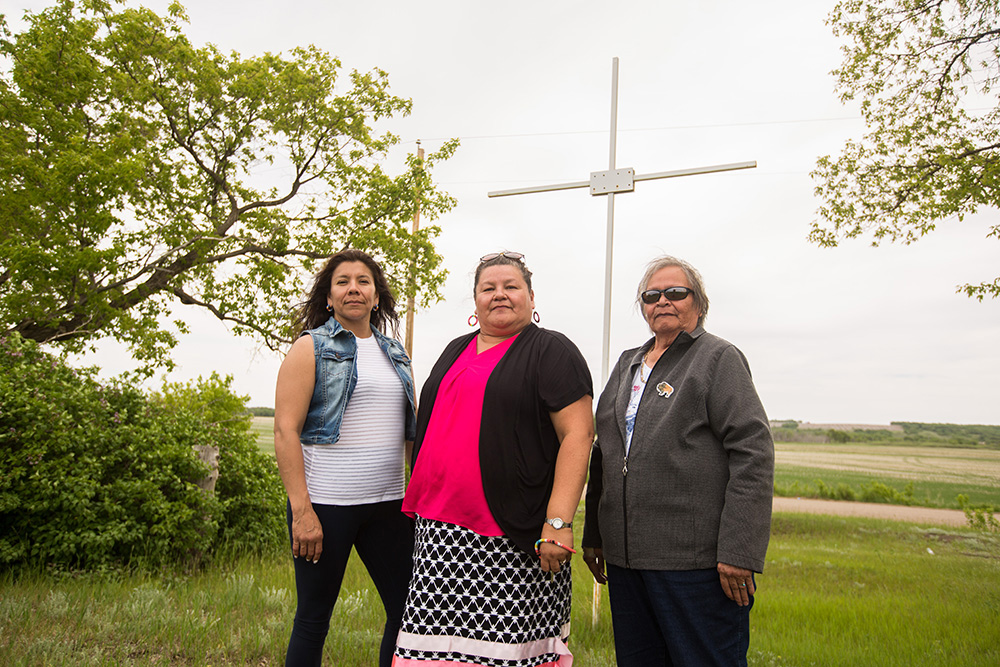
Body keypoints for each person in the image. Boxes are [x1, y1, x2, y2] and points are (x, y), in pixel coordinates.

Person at [392, 252, 595, 667]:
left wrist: (558, 522)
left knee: (506, 651)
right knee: (435, 652)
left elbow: (578, 434)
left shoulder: (551, 351)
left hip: (511, 537)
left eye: (511, 286)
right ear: (476, 301)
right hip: (441, 536)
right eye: (489, 288)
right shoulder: (455, 348)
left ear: (531, 297)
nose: (499, 295)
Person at [582, 255, 774, 667]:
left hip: (695, 565)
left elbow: (753, 452)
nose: (662, 301)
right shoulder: (627, 363)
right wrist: (595, 534)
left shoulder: (717, 359)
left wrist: (740, 551)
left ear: (698, 304)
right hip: (626, 561)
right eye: (651, 295)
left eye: (676, 292)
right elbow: (606, 451)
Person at [274, 249, 416, 667]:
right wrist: (302, 512)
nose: (353, 288)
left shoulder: (396, 353)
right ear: (329, 297)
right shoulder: (310, 347)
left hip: (390, 506)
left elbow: (408, 430)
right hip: (326, 507)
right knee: (314, 618)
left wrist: (418, 497)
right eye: (343, 281)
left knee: (408, 611)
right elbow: (286, 430)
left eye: (363, 281)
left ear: (376, 296)